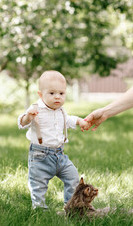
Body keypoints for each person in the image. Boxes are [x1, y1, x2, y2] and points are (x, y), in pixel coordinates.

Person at [18, 70, 89, 209]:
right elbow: (21, 123)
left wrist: (80, 121)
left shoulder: (61, 110)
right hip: (40, 157)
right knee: (38, 185)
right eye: (51, 93)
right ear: (40, 94)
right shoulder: (36, 109)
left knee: (73, 176)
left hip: (59, 155)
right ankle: (39, 209)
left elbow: (68, 120)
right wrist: (28, 117)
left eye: (61, 94)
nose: (57, 97)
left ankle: (71, 206)